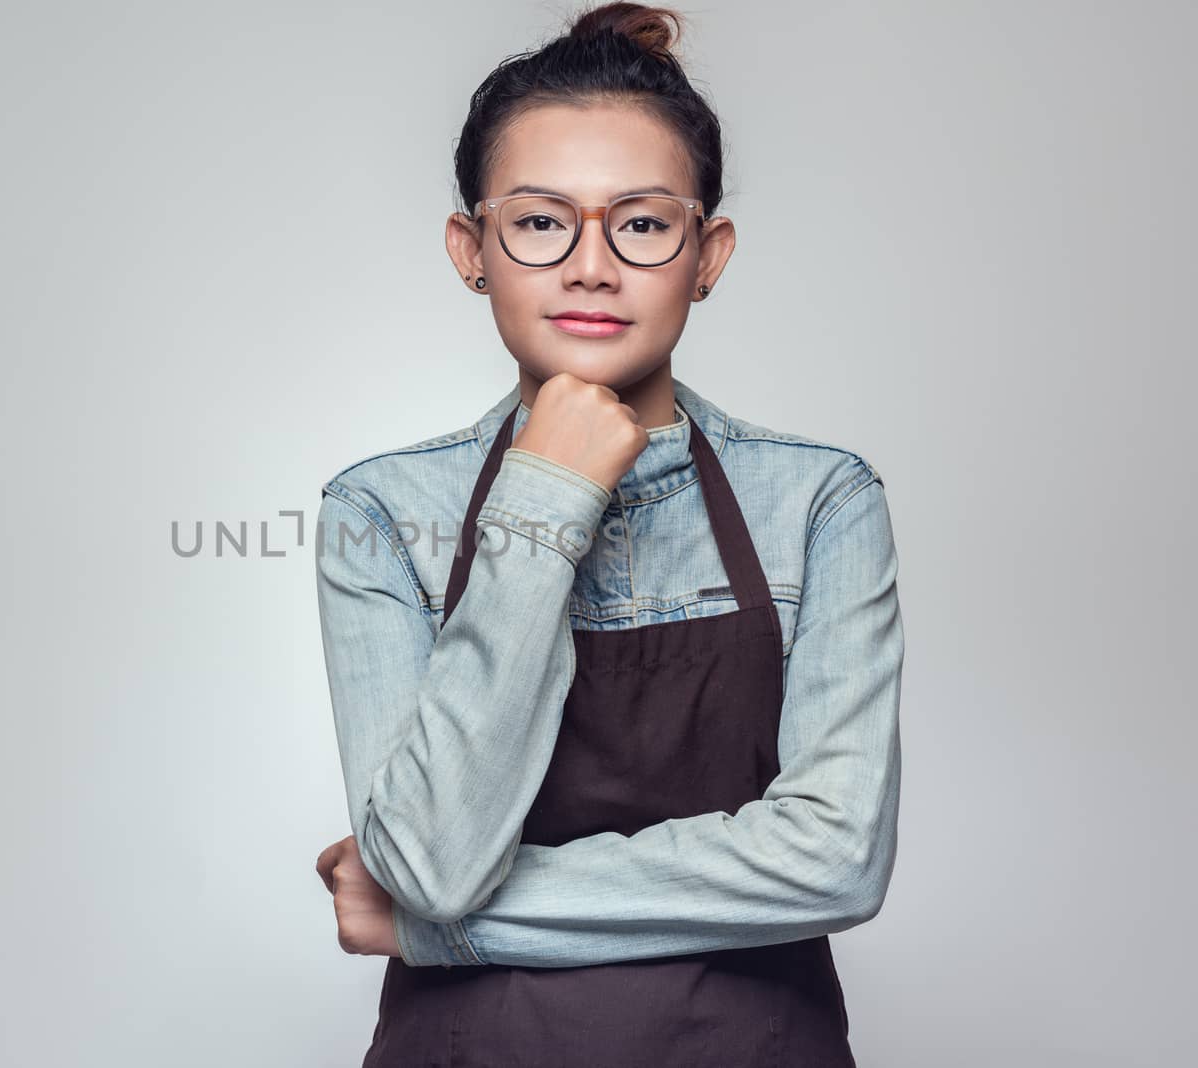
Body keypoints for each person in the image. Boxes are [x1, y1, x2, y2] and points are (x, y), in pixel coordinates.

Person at [312, 4, 905, 1064]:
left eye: (640, 223)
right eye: (540, 222)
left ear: (707, 252)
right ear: (472, 249)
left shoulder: (820, 500)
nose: (591, 265)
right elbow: (435, 857)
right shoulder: (379, 513)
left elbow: (837, 860)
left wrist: (438, 928)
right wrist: (543, 492)